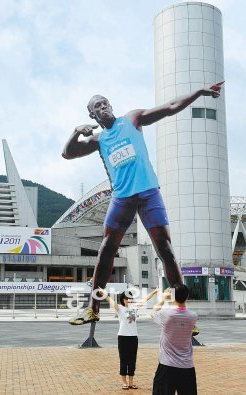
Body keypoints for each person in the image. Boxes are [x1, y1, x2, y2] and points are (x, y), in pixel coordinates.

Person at [62, 85, 221, 325]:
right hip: (122, 198)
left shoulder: (132, 119)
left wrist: (199, 92)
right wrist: (76, 132)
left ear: (111, 105)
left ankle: (182, 312)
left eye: (105, 103)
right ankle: (93, 308)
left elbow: (170, 107)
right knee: (106, 250)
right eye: (98, 107)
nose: (103, 107)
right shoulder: (99, 139)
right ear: (92, 116)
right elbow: (68, 154)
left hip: (148, 194)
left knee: (165, 249)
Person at [99, 287, 158, 390]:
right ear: (123, 299)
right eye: (126, 298)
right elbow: (110, 300)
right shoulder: (120, 308)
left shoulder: (134, 307)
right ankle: (124, 382)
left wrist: (154, 292)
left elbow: (145, 299)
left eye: (130, 298)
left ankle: (131, 383)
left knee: (132, 360)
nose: (128, 300)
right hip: (122, 337)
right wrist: (103, 293)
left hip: (133, 337)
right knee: (123, 360)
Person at [152, 285, 198, 395]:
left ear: (172, 297)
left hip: (167, 365)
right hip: (187, 366)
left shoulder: (166, 314)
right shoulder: (193, 316)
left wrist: (163, 298)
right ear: (187, 297)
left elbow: (153, 312)